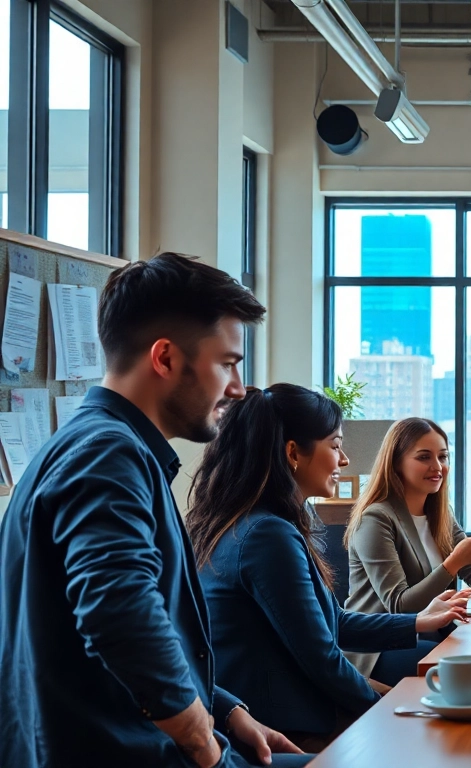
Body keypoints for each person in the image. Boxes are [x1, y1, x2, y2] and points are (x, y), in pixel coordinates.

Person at [0, 253, 308, 768]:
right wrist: (203, 742)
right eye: (228, 363)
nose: (238, 387)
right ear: (164, 358)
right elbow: (118, 611)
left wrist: (226, 710)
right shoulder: (109, 454)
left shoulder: (95, 444)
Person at [186, 385, 471, 752]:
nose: (345, 460)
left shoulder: (260, 523)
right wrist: (387, 713)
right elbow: (321, 657)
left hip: (293, 704)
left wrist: (417, 622)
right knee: (436, 734)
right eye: (336, 446)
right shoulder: (267, 535)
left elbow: (331, 622)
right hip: (283, 724)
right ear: (293, 453)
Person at [345, 417, 471, 685]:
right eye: (424, 457)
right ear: (396, 462)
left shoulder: (440, 512)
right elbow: (399, 605)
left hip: (433, 633)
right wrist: (453, 563)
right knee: (467, 666)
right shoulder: (375, 519)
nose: (437, 467)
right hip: (380, 648)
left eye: (443, 457)